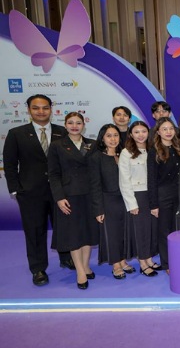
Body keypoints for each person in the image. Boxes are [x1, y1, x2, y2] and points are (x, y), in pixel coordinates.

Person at [3, 94, 73, 287]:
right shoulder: (16, 133)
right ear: (29, 110)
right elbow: (10, 164)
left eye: (45, 107)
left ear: (51, 109)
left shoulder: (62, 132)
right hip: (30, 193)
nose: (41, 111)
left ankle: (66, 258)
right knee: (34, 231)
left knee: (64, 227)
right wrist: (16, 190)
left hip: (60, 192)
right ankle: (38, 268)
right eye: (36, 108)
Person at [47, 112, 97, 289]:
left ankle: (86, 265)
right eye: (71, 123)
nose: (74, 126)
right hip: (69, 197)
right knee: (74, 234)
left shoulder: (92, 144)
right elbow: (53, 174)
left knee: (88, 233)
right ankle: (80, 271)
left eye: (78, 123)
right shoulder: (57, 145)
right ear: (65, 125)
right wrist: (59, 197)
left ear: (84, 125)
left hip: (90, 195)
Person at [89, 124, 136, 279]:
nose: (113, 139)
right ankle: (116, 264)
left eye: (115, 135)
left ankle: (123, 260)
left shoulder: (124, 155)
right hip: (107, 201)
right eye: (108, 136)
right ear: (102, 138)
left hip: (125, 199)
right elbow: (95, 185)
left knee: (124, 232)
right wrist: (98, 209)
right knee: (112, 234)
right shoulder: (96, 157)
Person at [119, 121, 160, 277]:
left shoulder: (152, 150)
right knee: (141, 230)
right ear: (131, 134)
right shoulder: (126, 153)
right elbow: (124, 180)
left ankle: (149, 258)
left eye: (143, 131)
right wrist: (132, 203)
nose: (141, 135)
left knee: (151, 229)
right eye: (136, 132)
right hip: (137, 195)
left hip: (152, 194)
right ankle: (143, 262)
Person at [147, 117, 180, 274]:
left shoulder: (179, 147)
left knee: (177, 230)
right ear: (158, 132)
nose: (168, 132)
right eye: (164, 129)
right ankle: (167, 263)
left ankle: (178, 259)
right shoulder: (154, 151)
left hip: (179, 195)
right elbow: (151, 179)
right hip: (163, 197)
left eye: (171, 128)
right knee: (164, 231)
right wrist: (153, 204)